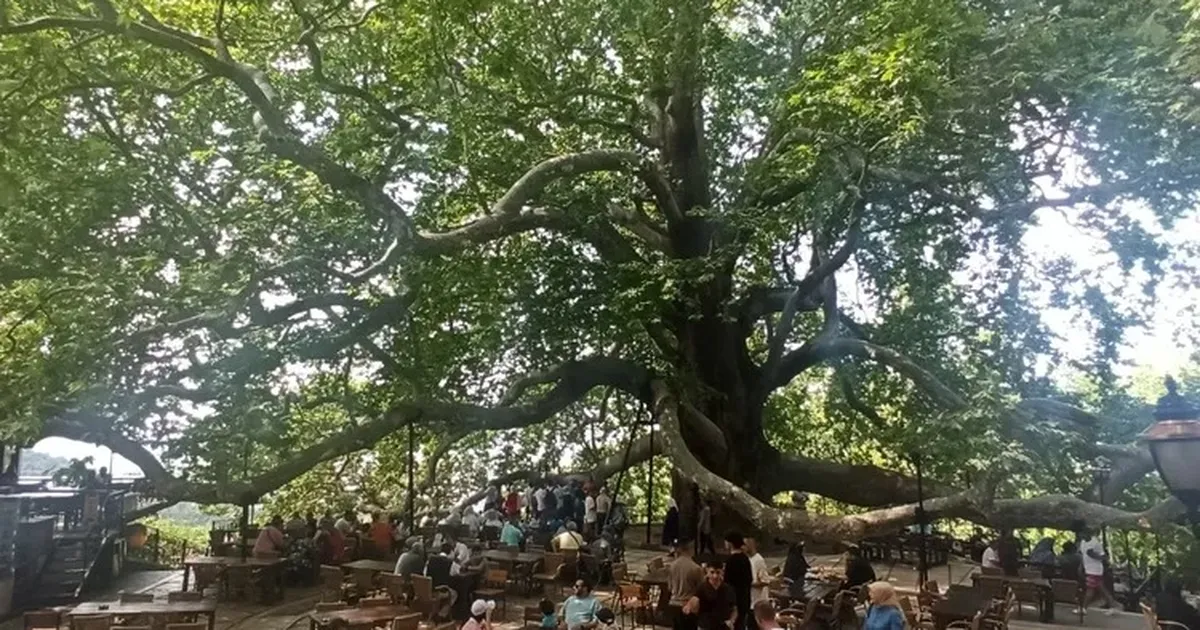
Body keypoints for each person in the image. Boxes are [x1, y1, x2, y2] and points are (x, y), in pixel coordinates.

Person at [1079, 526, 1117, 615]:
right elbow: (1083, 555)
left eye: (1083, 534)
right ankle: (1112, 605)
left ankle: (1084, 608)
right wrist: (1081, 566)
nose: (1081, 536)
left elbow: (1103, 557)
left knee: (1090, 589)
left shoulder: (1095, 543)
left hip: (1095, 570)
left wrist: (1093, 555)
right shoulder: (1083, 542)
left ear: (1088, 533)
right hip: (1088, 568)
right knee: (1101, 589)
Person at [668, 539, 705, 630]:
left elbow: (669, 587)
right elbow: (701, 589)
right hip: (689, 605)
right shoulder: (696, 568)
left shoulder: (672, 566)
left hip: (674, 603)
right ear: (691, 550)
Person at [690, 561, 737, 630]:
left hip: (723, 626)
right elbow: (694, 607)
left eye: (718, 572)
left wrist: (731, 621)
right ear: (707, 571)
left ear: (722, 572)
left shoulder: (728, 588)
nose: (715, 576)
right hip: (705, 626)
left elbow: (734, 608)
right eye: (712, 572)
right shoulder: (701, 588)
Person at [723, 533, 752, 630]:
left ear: (730, 543)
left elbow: (726, 582)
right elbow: (750, 579)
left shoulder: (730, 561)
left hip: (733, 600)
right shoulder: (745, 558)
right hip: (745, 598)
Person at [746, 538, 771, 605]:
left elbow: (765, 581)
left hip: (758, 602)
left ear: (752, 545)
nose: (743, 547)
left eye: (746, 544)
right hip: (750, 601)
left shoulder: (759, 560)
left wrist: (748, 583)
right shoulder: (747, 559)